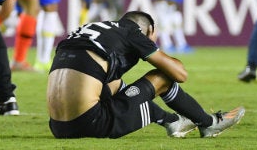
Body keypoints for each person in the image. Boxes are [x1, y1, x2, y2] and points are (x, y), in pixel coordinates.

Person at [47, 10, 245, 139]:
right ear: (150, 30)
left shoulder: (91, 30)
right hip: (91, 124)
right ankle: (210, 123)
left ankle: (173, 121)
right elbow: (180, 74)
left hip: (58, 127)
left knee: (116, 83)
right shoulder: (133, 33)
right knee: (164, 77)